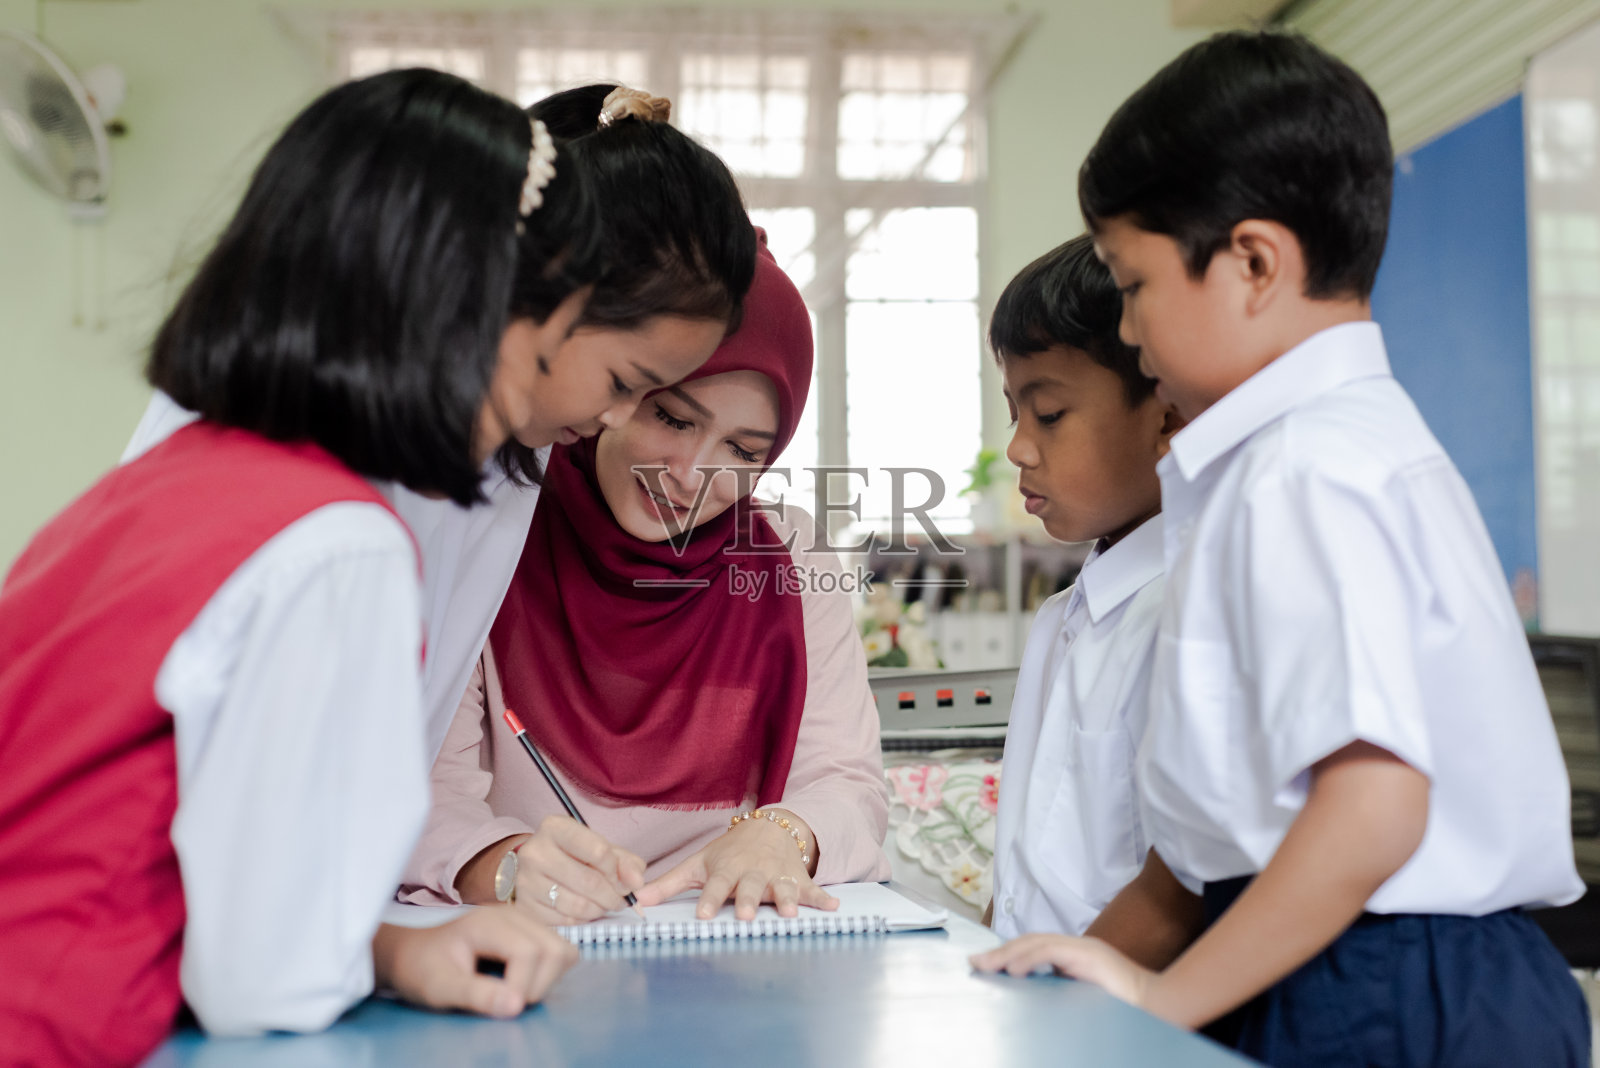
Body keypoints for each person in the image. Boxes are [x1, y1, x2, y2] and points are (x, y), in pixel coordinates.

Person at [972, 31, 1590, 1066]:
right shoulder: (1344, 444)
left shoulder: (1301, 468)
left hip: (1384, 982)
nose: (1127, 332)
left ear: (1253, 261)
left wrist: (1156, 1003)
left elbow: (1369, 811)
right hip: (1371, 964)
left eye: (1133, 286)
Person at [0, 69, 605, 1067]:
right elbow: (263, 986)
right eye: (546, 348)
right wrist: (373, 955)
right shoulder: (337, 546)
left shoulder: (158, 489)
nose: (535, 409)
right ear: (465, 314)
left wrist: (394, 953)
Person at [122, 83, 757, 764]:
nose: (617, 418)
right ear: (529, 292)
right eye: (627, 384)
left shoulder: (504, 449)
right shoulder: (318, 499)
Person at [401, 237, 891, 923]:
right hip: (531, 949)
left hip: (735, 955)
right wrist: (503, 862)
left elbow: (846, 784)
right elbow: (424, 787)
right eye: (672, 416)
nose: (691, 475)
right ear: (620, 389)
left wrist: (786, 836)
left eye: (742, 451)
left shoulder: (786, 555)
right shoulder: (498, 530)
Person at [984, 234, 1180, 941]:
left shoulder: (1184, 611)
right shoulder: (1062, 617)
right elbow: (1025, 869)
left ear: (1166, 417)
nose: (1017, 449)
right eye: (1014, 413)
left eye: (1050, 414)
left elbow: (1186, 887)